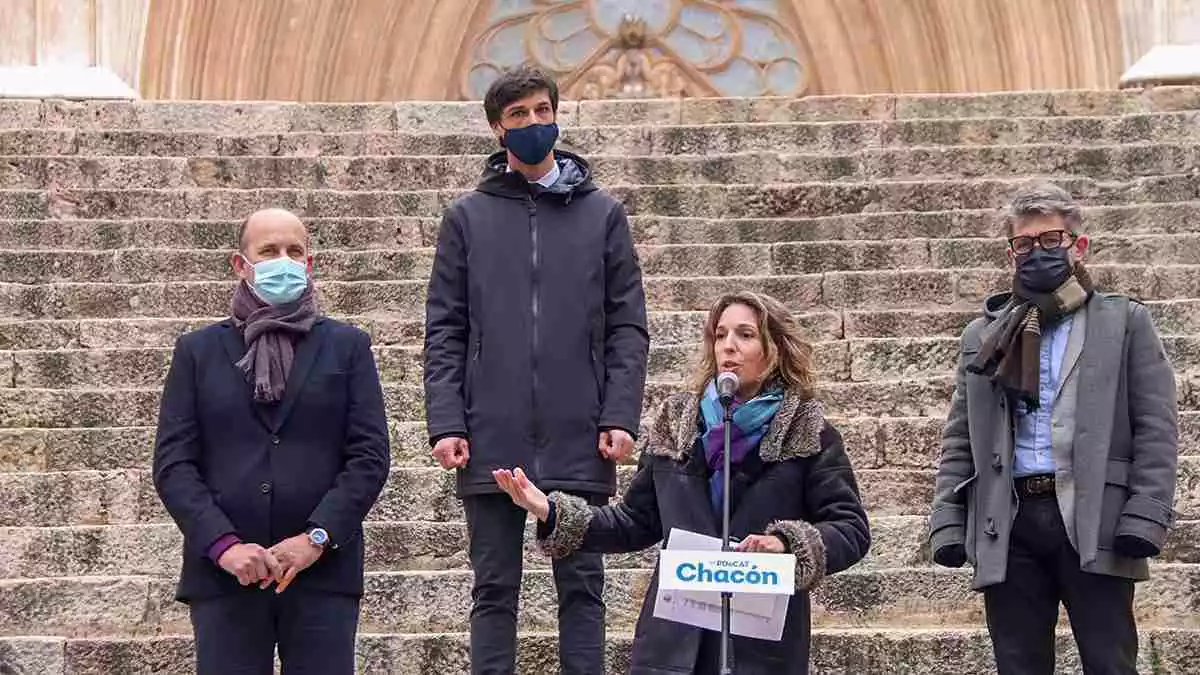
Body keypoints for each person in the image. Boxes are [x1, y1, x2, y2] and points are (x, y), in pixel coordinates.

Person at [491, 291, 871, 675]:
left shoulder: (807, 431)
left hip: (760, 648)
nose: (729, 346)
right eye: (720, 335)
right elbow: (634, 522)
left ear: (775, 349)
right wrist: (551, 511)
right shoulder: (677, 424)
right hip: (674, 645)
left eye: (745, 335)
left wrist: (785, 544)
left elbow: (851, 528)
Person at [423, 65, 649, 674]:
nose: (532, 124)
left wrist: (620, 413)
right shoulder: (466, 218)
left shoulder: (603, 215)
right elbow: (445, 329)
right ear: (498, 128)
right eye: (518, 115)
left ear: (557, 116)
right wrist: (448, 422)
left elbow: (628, 324)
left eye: (541, 112)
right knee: (493, 590)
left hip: (581, 432)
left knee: (582, 588)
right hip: (492, 432)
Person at [929, 182, 1179, 674]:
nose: (1036, 252)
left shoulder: (1123, 322)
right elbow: (960, 435)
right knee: (1018, 665)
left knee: (1111, 663)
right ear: (1011, 254)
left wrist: (1145, 516)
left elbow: (1157, 428)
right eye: (1024, 244)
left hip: (1096, 522)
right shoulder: (984, 335)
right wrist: (947, 520)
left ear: (1077, 246)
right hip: (1009, 521)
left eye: (1051, 240)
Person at [152, 208, 391, 675]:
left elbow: (369, 456)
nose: (283, 260)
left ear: (309, 262)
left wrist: (317, 537)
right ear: (240, 264)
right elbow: (174, 464)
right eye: (269, 251)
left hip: (322, 573)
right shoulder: (197, 352)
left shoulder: (348, 347)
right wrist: (224, 546)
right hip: (225, 578)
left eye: (294, 251)